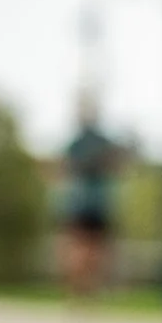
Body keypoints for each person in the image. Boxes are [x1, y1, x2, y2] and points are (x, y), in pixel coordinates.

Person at [55, 104, 123, 300]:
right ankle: (81, 290)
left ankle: (85, 290)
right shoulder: (83, 143)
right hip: (84, 204)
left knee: (92, 250)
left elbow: (64, 170)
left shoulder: (87, 143)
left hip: (91, 204)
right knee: (84, 249)